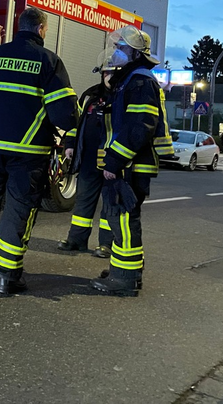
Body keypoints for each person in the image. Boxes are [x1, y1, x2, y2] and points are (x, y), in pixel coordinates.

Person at [0, 8, 78, 295]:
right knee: (18, 208)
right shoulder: (48, 61)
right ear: (42, 30)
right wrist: (73, 130)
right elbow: (63, 113)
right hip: (28, 154)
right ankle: (6, 276)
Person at [89, 26, 162, 297]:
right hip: (130, 164)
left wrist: (114, 161)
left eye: (121, 48)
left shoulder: (140, 82)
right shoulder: (132, 79)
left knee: (123, 219)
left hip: (130, 166)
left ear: (133, 52)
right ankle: (126, 272)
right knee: (123, 219)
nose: (116, 52)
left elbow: (139, 126)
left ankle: (124, 280)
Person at [57, 52, 115, 258]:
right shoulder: (90, 96)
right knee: (83, 200)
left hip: (112, 162)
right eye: (106, 72)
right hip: (89, 159)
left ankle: (106, 245)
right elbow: (76, 124)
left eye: (113, 73)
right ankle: (76, 240)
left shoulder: (124, 97)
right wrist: (70, 145)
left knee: (110, 204)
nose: (109, 76)